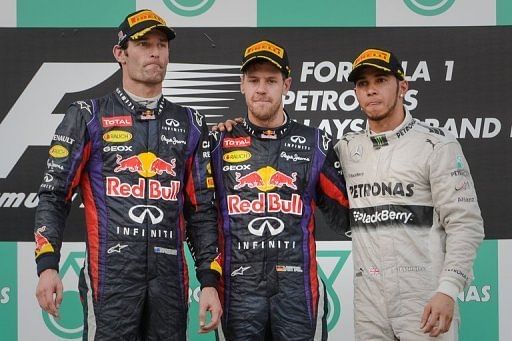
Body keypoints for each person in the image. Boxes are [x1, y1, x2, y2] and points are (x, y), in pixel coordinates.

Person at [34, 9, 222, 340]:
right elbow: (53, 195)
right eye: (143, 44)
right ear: (120, 53)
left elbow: (202, 212)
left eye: (162, 44)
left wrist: (209, 281)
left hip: (170, 280)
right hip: (110, 275)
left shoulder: (191, 123)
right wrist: (48, 265)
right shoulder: (87, 116)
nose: (155, 52)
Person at [335, 48, 485, 340]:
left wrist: (448, 290)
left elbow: (465, 223)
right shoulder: (347, 149)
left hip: (425, 297)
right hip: (369, 302)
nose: (371, 91)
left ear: (403, 87)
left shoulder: (437, 145)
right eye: (363, 84)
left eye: (380, 80)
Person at [210, 40, 350, 340]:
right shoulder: (217, 143)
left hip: (297, 290)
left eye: (271, 81)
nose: (262, 89)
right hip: (237, 290)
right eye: (254, 80)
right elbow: (196, 214)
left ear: (286, 84)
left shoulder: (315, 143)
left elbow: (348, 211)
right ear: (242, 85)